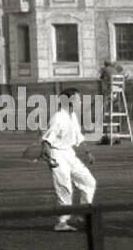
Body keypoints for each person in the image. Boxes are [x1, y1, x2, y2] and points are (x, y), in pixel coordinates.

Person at [40, 88, 97, 232]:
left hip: (70, 154)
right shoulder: (58, 118)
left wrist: (88, 152)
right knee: (65, 188)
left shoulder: (73, 116)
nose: (80, 101)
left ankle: (83, 213)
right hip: (57, 154)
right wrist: (50, 159)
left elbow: (78, 136)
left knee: (89, 182)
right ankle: (61, 223)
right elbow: (46, 141)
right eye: (78, 98)